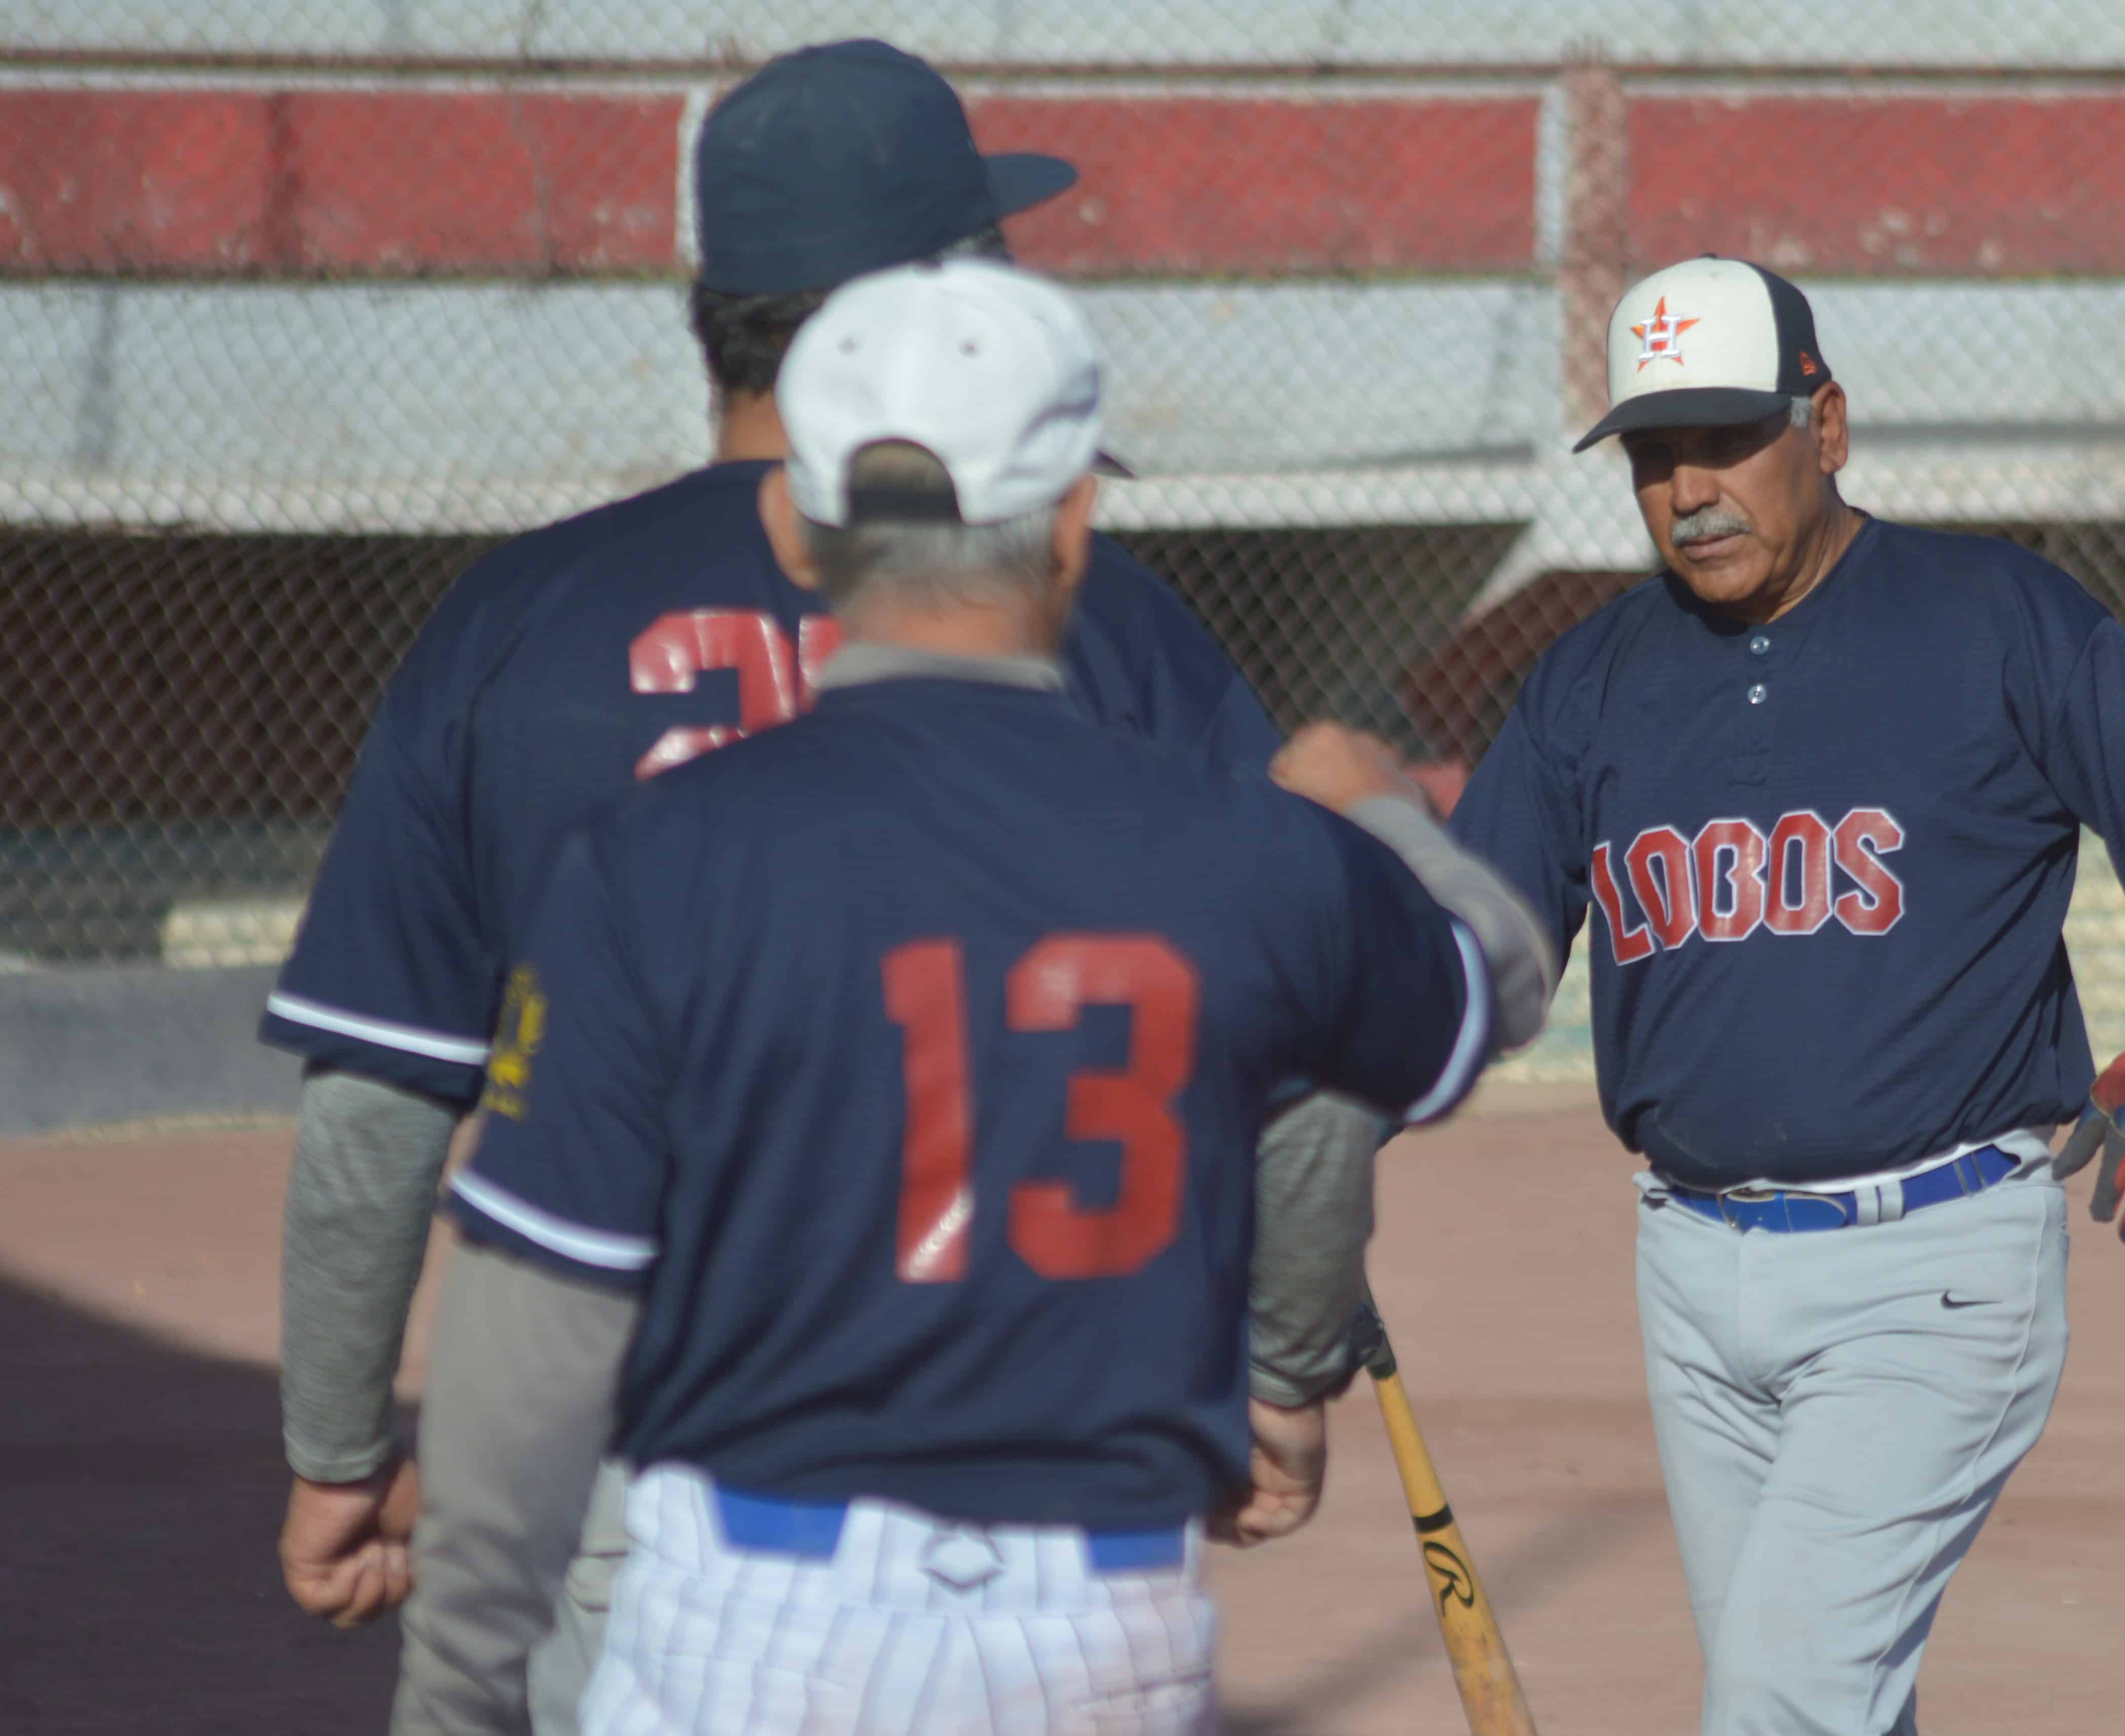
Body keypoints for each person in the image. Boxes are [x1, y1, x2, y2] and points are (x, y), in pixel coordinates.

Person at [257, 36, 1280, 1730]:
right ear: (932, 312)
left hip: (654, 1472)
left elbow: (374, 1115)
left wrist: (341, 1452)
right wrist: (1271, 1368)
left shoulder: (514, 626)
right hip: (1053, 1475)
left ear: (710, 302)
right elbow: (1274, 1033)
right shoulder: (1107, 620)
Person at [392, 258, 1555, 1735]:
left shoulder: (656, 856)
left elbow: (529, 1336)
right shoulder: (1248, 843)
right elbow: (1497, 987)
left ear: (797, 530)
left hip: (750, 1628)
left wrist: (451, 1698)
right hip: (1093, 1640)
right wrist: (1373, 810)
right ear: (1073, 523)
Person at [1447, 255, 2125, 1735]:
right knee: (1814, 1698)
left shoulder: (1994, 616)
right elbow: (1469, 949)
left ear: (1826, 426)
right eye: (1657, 456)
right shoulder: (1588, 679)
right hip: (1689, 1271)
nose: (1690, 489)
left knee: (1778, 1701)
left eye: (1726, 440)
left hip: (1934, 1270)